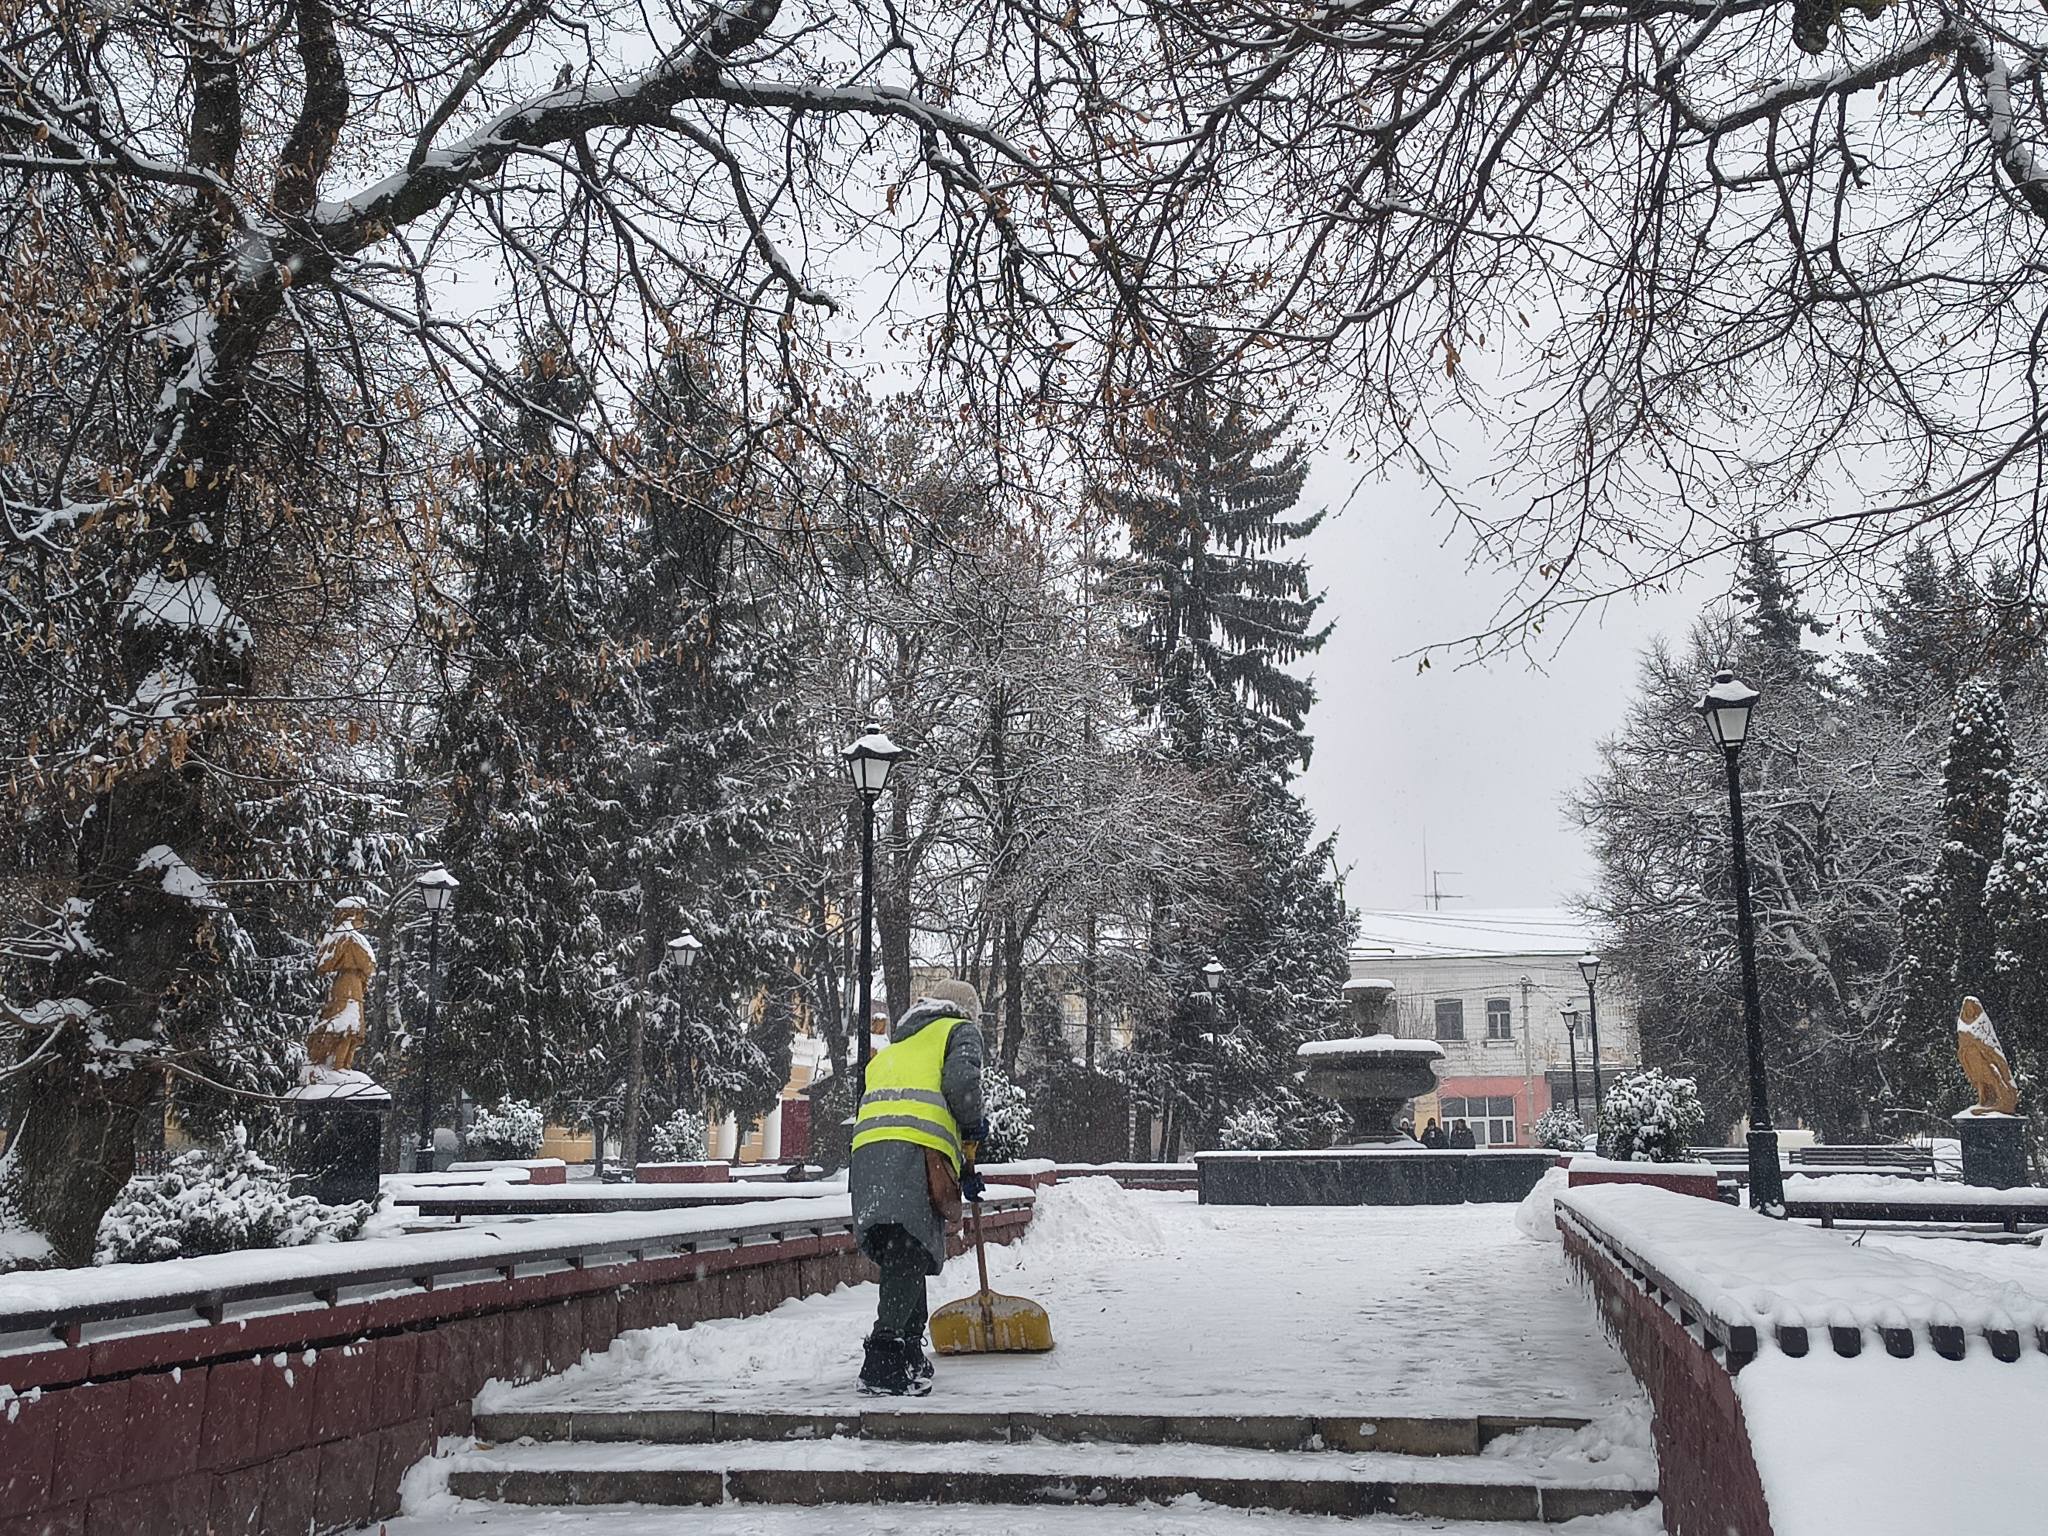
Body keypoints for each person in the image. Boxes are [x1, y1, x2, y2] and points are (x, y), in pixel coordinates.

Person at [849, 977, 986, 1396]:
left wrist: (963, 1164)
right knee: (908, 1247)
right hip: (913, 1150)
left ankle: (908, 1350)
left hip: (869, 1150)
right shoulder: (959, 1030)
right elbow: (961, 1086)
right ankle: (883, 1356)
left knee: (905, 1247)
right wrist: (974, 1125)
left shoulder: (902, 1042)